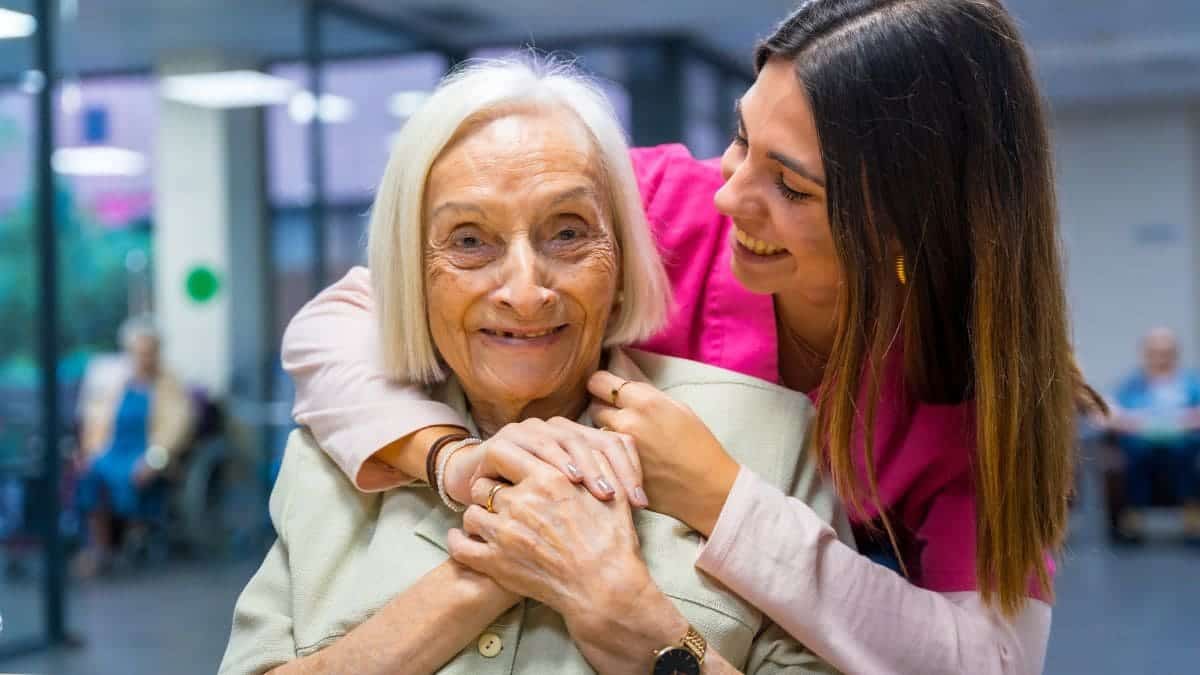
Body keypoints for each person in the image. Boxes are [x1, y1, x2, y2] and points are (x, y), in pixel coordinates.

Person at [281, 1, 1104, 672]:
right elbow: (344, 318)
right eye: (744, 136)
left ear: (905, 230)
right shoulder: (656, 207)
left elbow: (986, 660)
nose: (728, 196)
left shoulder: (969, 396)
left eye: (790, 185)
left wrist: (725, 498)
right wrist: (449, 458)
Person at [220, 58, 846, 675]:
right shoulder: (342, 454)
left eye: (568, 233)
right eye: (469, 240)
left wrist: (636, 623)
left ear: (623, 261)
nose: (525, 291)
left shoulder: (769, 436)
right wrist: (495, 560)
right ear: (412, 273)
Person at [74, 315, 193, 576]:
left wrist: (153, 459)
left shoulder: (169, 384)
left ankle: (130, 542)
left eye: (149, 352)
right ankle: (100, 549)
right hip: (113, 450)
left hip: (148, 454)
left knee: (131, 477)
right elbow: (96, 422)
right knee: (90, 475)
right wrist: (88, 452)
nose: (143, 358)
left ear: (157, 352)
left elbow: (177, 429)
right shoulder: (116, 384)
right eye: (137, 352)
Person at [1107, 327, 1200, 541]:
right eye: (1155, 352)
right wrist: (1133, 422)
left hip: (1183, 444)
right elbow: (1112, 411)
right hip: (1140, 445)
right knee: (1136, 456)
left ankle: (1192, 514)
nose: (1160, 358)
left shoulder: (1191, 383)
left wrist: (1183, 421)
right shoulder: (1132, 384)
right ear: (1145, 354)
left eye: (1166, 352)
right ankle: (1133, 518)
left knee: (1183, 456)